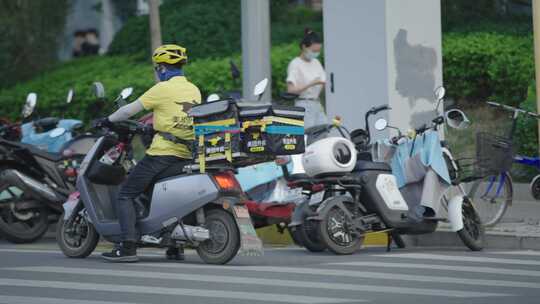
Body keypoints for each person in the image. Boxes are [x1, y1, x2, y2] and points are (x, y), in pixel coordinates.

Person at [96, 44, 201, 262]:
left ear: (162, 68)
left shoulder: (161, 89)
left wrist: (107, 120)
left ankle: (127, 247)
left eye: (157, 68)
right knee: (163, 195)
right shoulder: (193, 89)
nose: (158, 72)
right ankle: (174, 247)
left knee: (126, 193)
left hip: (162, 154)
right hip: (187, 154)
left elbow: (128, 110)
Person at [286, 29, 327, 129]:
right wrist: (311, 84)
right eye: (313, 51)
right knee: (308, 135)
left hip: (317, 103)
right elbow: (291, 90)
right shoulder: (295, 64)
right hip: (303, 104)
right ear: (304, 47)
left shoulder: (316, 62)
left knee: (324, 132)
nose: (316, 53)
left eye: (318, 51)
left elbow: (323, 81)